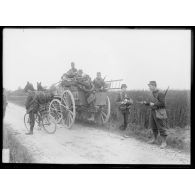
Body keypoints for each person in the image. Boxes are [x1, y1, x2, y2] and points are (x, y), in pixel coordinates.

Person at [145, 81, 168, 149]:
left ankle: (164, 142)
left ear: (154, 85)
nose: (149, 87)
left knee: (161, 127)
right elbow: (152, 102)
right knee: (153, 126)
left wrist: (154, 104)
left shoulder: (160, 93)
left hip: (159, 112)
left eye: (150, 86)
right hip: (153, 111)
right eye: (149, 86)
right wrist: (147, 103)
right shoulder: (152, 93)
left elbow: (163, 103)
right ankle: (154, 139)